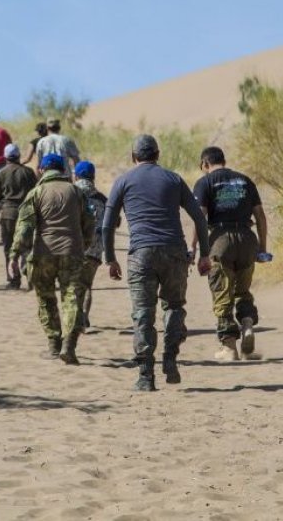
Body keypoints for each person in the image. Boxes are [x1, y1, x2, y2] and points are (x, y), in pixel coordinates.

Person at [102, 134, 211, 391]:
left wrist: (110, 259)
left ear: (133, 156)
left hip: (141, 254)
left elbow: (106, 225)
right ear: (158, 155)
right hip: (174, 252)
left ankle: (145, 376)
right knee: (173, 307)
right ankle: (170, 358)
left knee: (143, 315)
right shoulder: (173, 178)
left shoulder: (123, 181)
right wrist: (204, 253)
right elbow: (199, 218)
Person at [10, 154, 94, 365]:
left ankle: (54, 345)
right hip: (72, 252)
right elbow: (89, 222)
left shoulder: (36, 192)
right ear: (62, 169)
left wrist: (15, 254)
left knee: (46, 299)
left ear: (41, 170)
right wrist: (83, 244)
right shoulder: (76, 191)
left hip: (43, 254)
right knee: (71, 299)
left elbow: (25, 227)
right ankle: (70, 344)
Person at [191, 146, 268, 361]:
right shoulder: (245, 180)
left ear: (205, 164)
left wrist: (195, 248)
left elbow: (200, 217)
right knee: (242, 290)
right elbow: (260, 216)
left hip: (220, 240)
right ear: (223, 160)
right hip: (247, 238)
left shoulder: (204, 182)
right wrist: (263, 248)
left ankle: (229, 347)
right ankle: (247, 323)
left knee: (222, 294)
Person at [0, 143, 38, 287]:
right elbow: (36, 194)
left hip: (8, 215)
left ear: (5, 157)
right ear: (18, 156)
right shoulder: (28, 172)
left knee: (9, 247)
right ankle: (30, 276)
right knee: (27, 247)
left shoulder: (1, 173)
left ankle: (13, 279)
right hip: (27, 214)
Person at [72, 160, 109, 330]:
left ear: (76, 175)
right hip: (95, 249)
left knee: (73, 286)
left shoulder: (71, 193)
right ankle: (84, 317)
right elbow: (114, 222)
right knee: (87, 285)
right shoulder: (102, 198)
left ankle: (77, 318)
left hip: (74, 247)